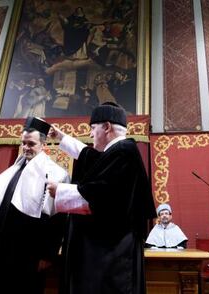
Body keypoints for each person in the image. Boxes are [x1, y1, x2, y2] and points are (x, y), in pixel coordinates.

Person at [47, 102, 156, 294]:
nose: (90, 135)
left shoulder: (123, 152)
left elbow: (106, 196)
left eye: (93, 128)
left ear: (106, 127)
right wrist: (61, 137)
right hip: (113, 250)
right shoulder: (119, 151)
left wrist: (61, 191)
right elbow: (89, 156)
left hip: (113, 255)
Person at [0, 117, 69, 294]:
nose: (25, 148)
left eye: (31, 144)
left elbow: (59, 219)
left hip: (28, 249)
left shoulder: (57, 174)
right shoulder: (13, 170)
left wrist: (47, 254)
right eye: (23, 143)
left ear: (43, 144)